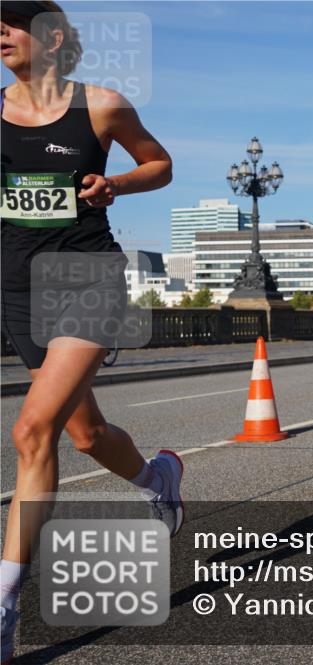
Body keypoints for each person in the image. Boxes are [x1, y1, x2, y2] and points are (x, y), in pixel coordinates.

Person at [0, 3, 181, 658]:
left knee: (30, 430)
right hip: (17, 290)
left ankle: (4, 602)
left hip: (88, 277)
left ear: (50, 36)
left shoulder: (101, 106)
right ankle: (158, 478)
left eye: (11, 19)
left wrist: (118, 185)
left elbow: (159, 164)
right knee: (85, 433)